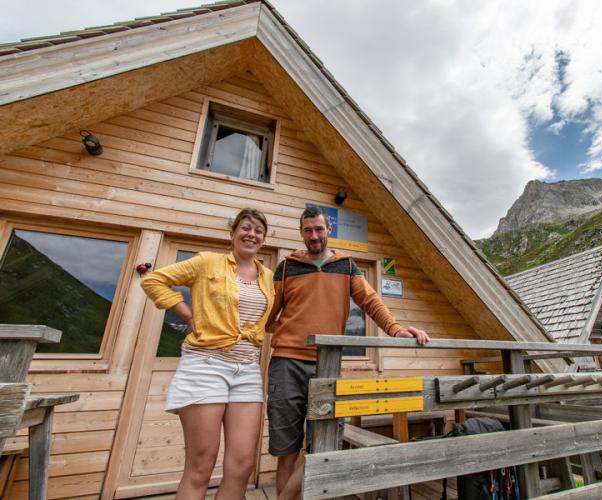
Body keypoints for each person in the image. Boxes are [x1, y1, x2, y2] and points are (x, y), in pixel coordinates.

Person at [266, 205, 430, 500]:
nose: (314, 236)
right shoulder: (287, 267)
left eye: (319, 229)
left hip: (327, 366)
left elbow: (371, 302)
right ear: (301, 233)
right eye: (308, 230)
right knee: (286, 449)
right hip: (286, 363)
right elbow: (267, 313)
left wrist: (395, 329)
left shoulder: (347, 266)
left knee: (323, 445)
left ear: (329, 230)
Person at [141, 208, 274, 500]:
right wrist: (186, 313)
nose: (252, 234)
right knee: (201, 466)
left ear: (263, 239)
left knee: (242, 465)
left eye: (258, 231)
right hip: (205, 366)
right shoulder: (207, 262)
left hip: (247, 371)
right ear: (233, 233)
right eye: (246, 228)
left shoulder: (268, 277)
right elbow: (153, 281)